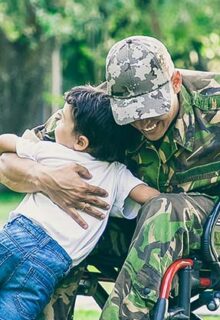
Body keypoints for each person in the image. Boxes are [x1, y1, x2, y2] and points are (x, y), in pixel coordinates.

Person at [0, 35, 220, 320]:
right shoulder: (96, 111)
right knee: (64, 226)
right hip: (132, 229)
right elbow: (8, 162)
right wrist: (45, 177)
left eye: (153, 108)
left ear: (175, 82)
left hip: (209, 226)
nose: (145, 122)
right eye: (133, 113)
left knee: (164, 208)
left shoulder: (213, 105)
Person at [0, 84, 159, 319]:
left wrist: (28, 143)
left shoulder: (49, 151)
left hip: (18, 237)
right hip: (50, 265)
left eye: (62, 120)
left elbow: (4, 144)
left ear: (81, 142)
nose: (57, 125)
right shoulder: (117, 174)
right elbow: (151, 197)